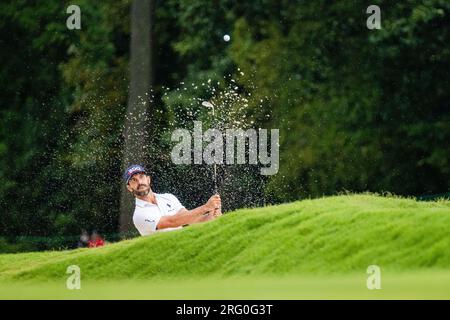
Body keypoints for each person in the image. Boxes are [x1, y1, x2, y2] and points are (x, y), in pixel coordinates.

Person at [123, 165, 222, 236]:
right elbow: (172, 222)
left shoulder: (168, 197)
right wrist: (206, 207)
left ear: (148, 179)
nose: (140, 182)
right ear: (129, 187)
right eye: (133, 180)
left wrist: (211, 215)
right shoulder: (139, 215)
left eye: (141, 177)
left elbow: (193, 220)